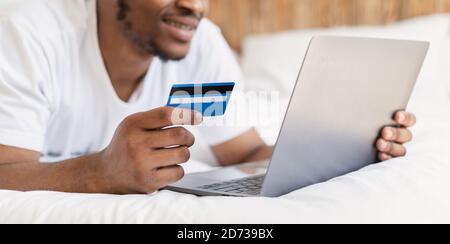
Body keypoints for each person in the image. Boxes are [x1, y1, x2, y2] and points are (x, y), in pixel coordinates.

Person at [0, 0, 416, 194]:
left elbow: (243, 151)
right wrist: (100, 172)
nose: (194, 6)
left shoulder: (197, 47)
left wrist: (346, 142)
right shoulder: (30, 33)